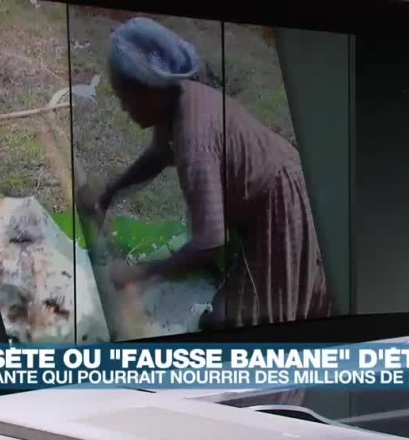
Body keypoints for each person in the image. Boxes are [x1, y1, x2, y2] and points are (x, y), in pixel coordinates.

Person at [78, 17, 332, 330]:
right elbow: (157, 155)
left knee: (225, 321)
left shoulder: (194, 140)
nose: (123, 109)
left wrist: (142, 272)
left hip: (283, 205)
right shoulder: (176, 100)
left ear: (150, 91)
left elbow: (210, 241)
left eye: (125, 98)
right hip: (267, 193)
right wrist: (109, 193)